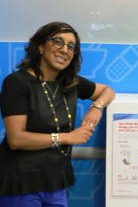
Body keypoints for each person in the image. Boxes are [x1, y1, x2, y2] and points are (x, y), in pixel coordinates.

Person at [0, 21, 115, 207]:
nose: (65, 50)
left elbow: (108, 91)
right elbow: (16, 139)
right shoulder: (17, 83)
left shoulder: (70, 83)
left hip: (56, 180)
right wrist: (67, 137)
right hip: (21, 181)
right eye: (57, 41)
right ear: (40, 46)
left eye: (71, 46)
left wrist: (97, 108)